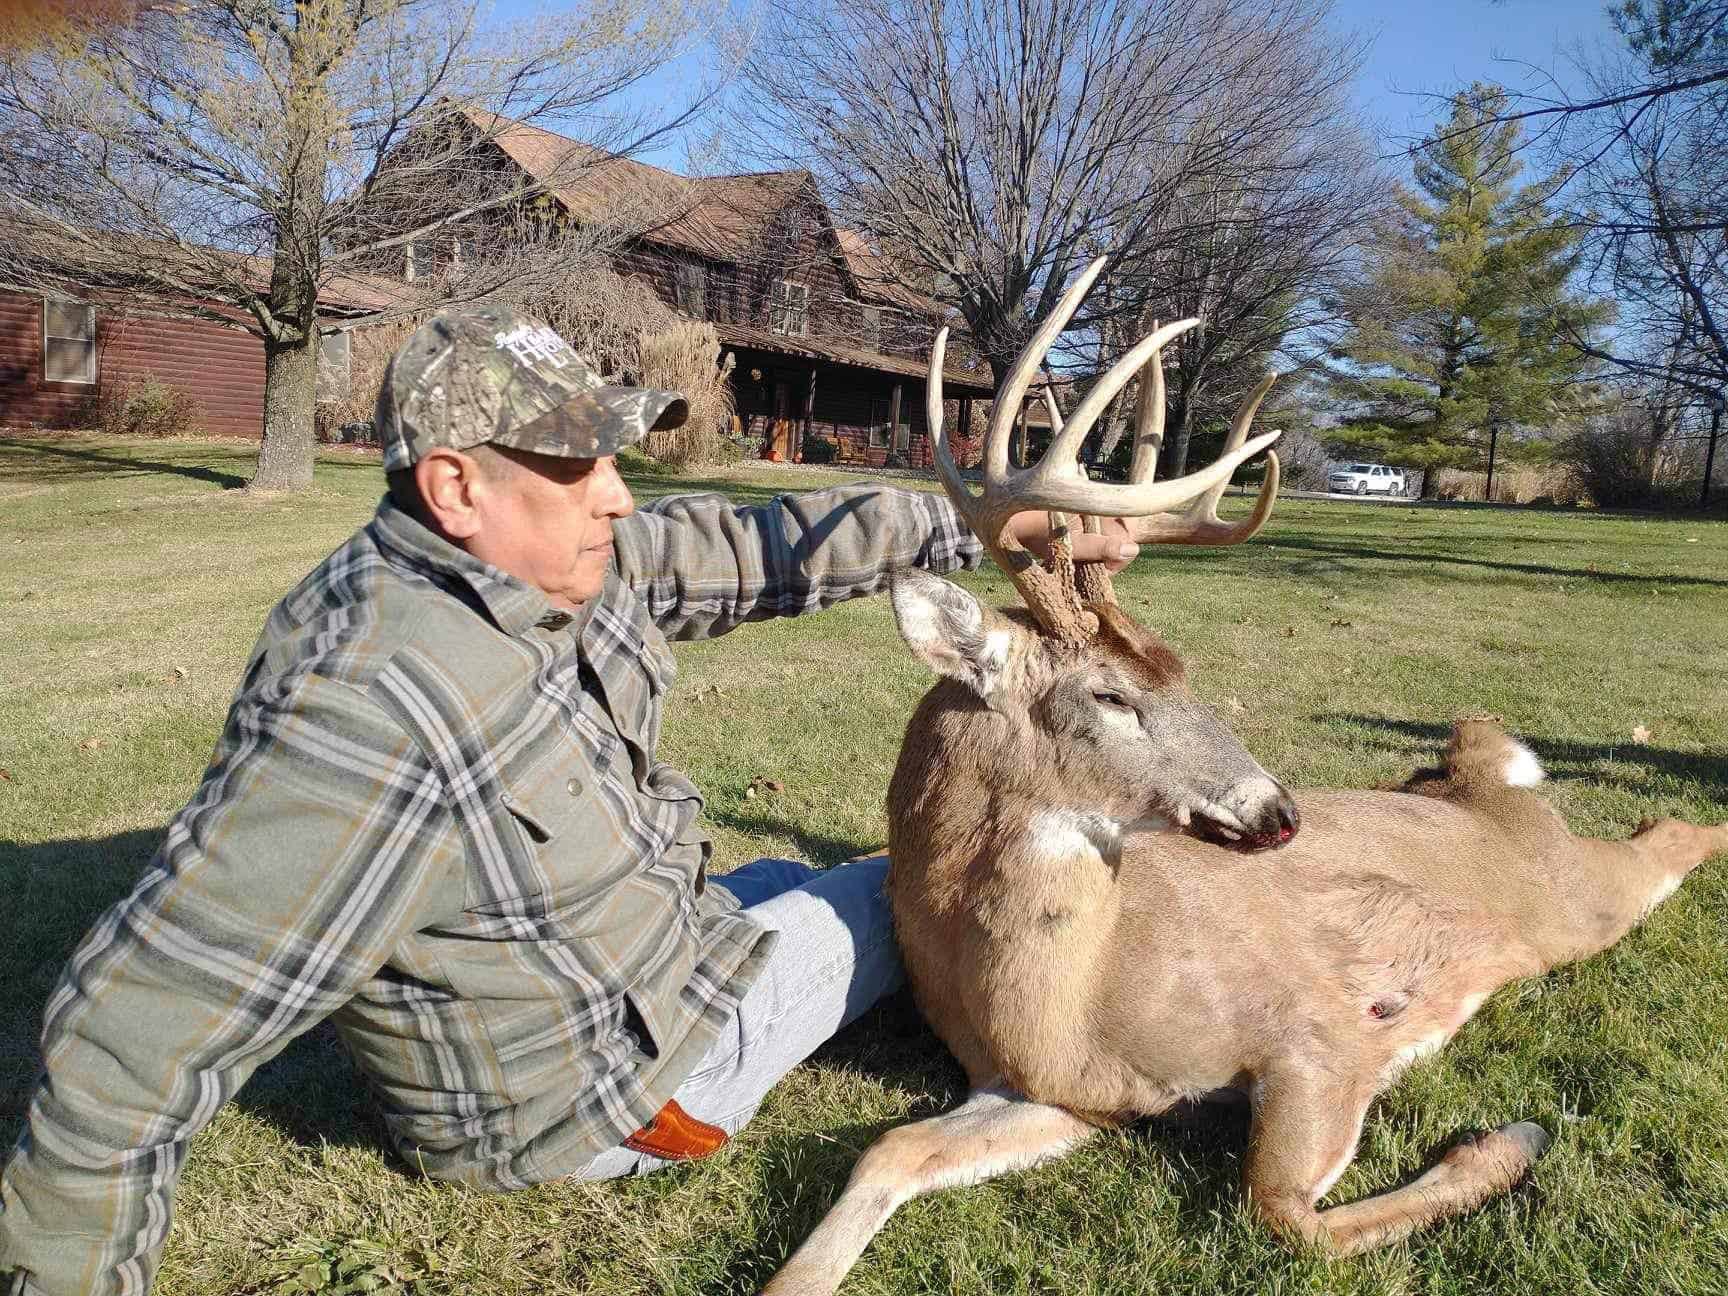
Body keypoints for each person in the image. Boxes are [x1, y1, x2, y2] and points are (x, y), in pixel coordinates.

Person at [0, 306, 1138, 1296]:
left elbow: (747, 544)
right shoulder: (374, 711)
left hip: (636, 958)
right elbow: (129, 1046)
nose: (617, 496)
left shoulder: (525, 566)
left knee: (794, 883)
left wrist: (982, 527)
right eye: (576, 465)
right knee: (904, 890)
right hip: (608, 1097)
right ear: (455, 487)